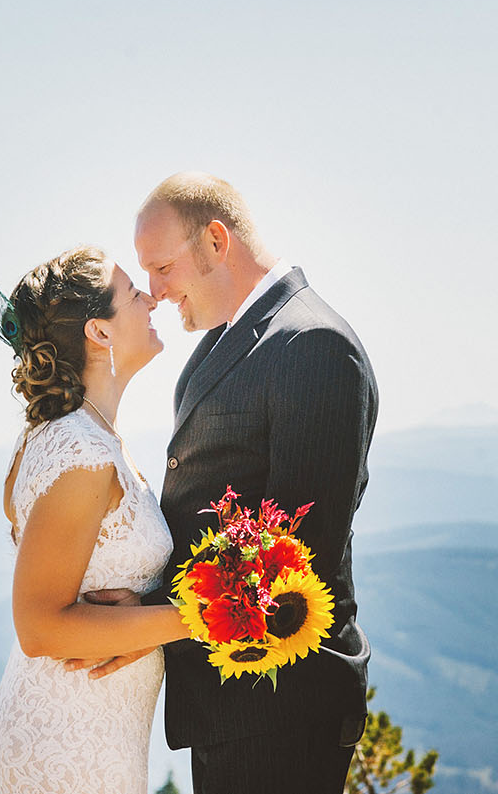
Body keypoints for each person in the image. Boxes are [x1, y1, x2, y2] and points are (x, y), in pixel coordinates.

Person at [131, 171, 379, 793]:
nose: (154, 293)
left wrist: (144, 615)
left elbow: (293, 552)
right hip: (233, 705)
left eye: (162, 268)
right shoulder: (224, 343)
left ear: (217, 241)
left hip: (282, 707)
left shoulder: (313, 345)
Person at [0, 246, 189, 794]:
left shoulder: (86, 436)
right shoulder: (81, 452)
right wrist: (198, 617)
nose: (151, 297)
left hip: (96, 723)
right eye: (131, 293)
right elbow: (40, 625)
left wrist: (150, 616)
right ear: (99, 332)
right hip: (67, 734)